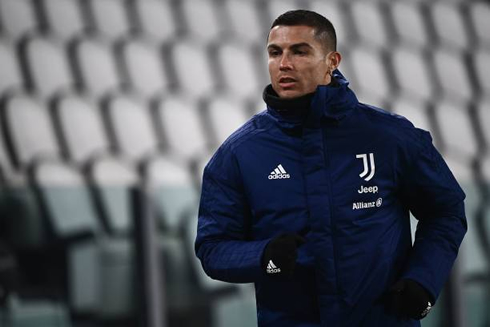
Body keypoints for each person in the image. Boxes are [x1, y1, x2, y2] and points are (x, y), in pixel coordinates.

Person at [195, 9, 467, 327]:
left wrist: (423, 278)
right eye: (275, 52)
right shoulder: (239, 153)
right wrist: (263, 256)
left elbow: (446, 210)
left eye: (299, 51)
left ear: (332, 61)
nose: (284, 64)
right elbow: (213, 247)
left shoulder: (390, 137)